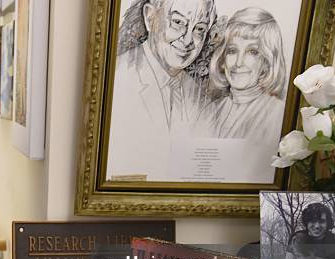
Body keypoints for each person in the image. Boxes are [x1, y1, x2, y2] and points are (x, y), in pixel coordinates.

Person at [106, 0, 216, 181]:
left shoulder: (198, 97)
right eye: (178, 22)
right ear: (150, 17)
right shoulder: (117, 77)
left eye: (199, 29)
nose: (188, 40)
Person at [199, 7, 287, 140]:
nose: (239, 63)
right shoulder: (211, 110)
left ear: (267, 62)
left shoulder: (277, 114)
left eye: (252, 52)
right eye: (232, 51)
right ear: (222, 58)